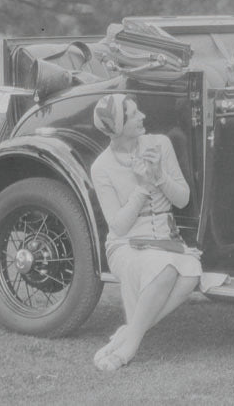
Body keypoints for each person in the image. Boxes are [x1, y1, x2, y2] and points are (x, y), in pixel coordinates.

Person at [89, 94, 206, 370]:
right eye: (133, 114)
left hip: (164, 240)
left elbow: (183, 199)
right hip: (126, 243)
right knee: (165, 270)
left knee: (191, 273)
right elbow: (118, 225)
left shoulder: (160, 144)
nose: (143, 116)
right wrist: (142, 188)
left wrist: (159, 176)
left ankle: (129, 331)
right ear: (117, 127)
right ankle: (129, 348)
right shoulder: (101, 167)